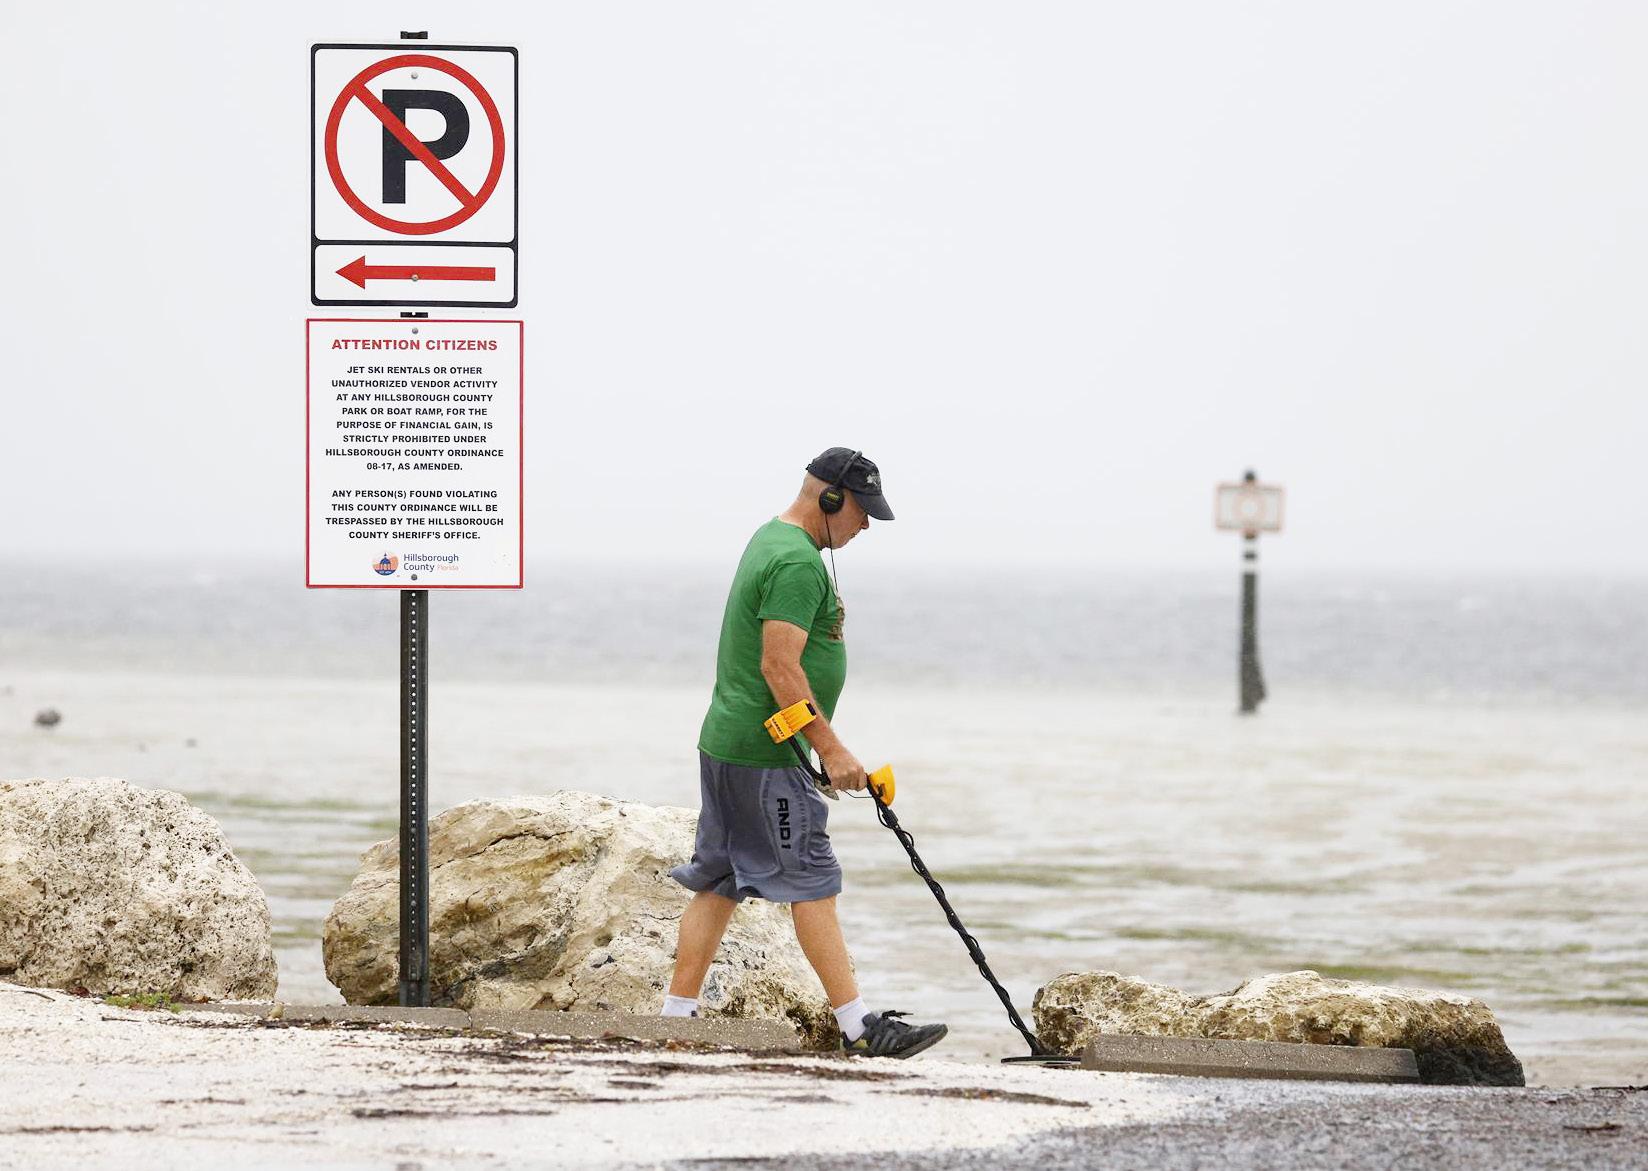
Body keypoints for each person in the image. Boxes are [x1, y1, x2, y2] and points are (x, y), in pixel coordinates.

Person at [662, 447, 949, 1059]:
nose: (866, 525)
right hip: (768, 755)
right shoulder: (796, 562)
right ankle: (860, 1030)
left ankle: (675, 1018)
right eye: (862, 511)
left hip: (729, 742)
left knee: (719, 880)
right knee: (813, 879)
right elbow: (779, 666)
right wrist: (831, 749)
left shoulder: (771, 538)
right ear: (830, 498)